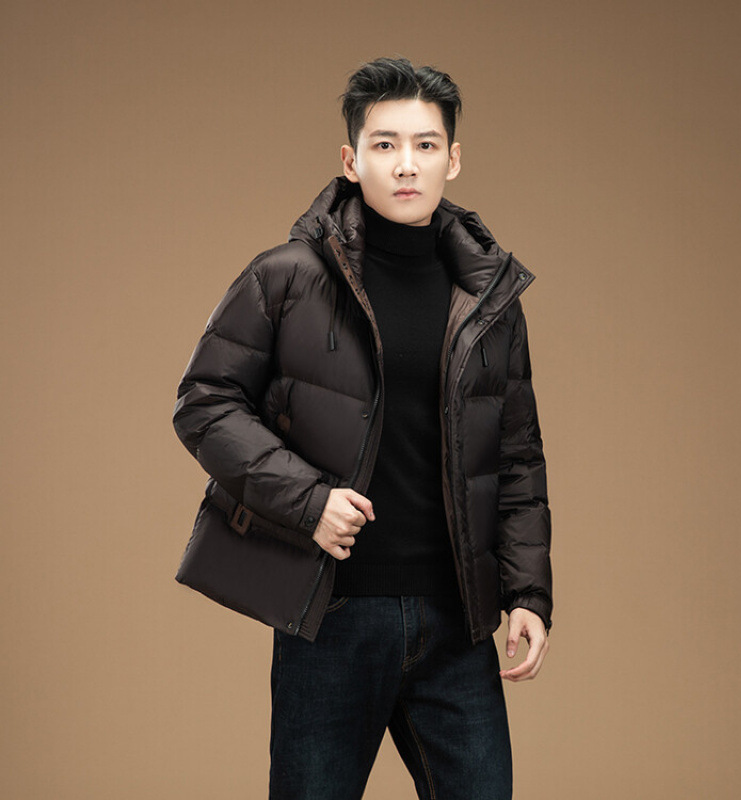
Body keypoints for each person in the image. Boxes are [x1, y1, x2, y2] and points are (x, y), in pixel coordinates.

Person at [173, 55, 553, 800]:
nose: (406, 164)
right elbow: (204, 401)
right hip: (334, 614)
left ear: (452, 159)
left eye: (425, 144)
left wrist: (529, 593)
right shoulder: (286, 277)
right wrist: (308, 501)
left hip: (457, 621)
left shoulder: (489, 299)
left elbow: (517, 457)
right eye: (385, 144)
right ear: (351, 161)